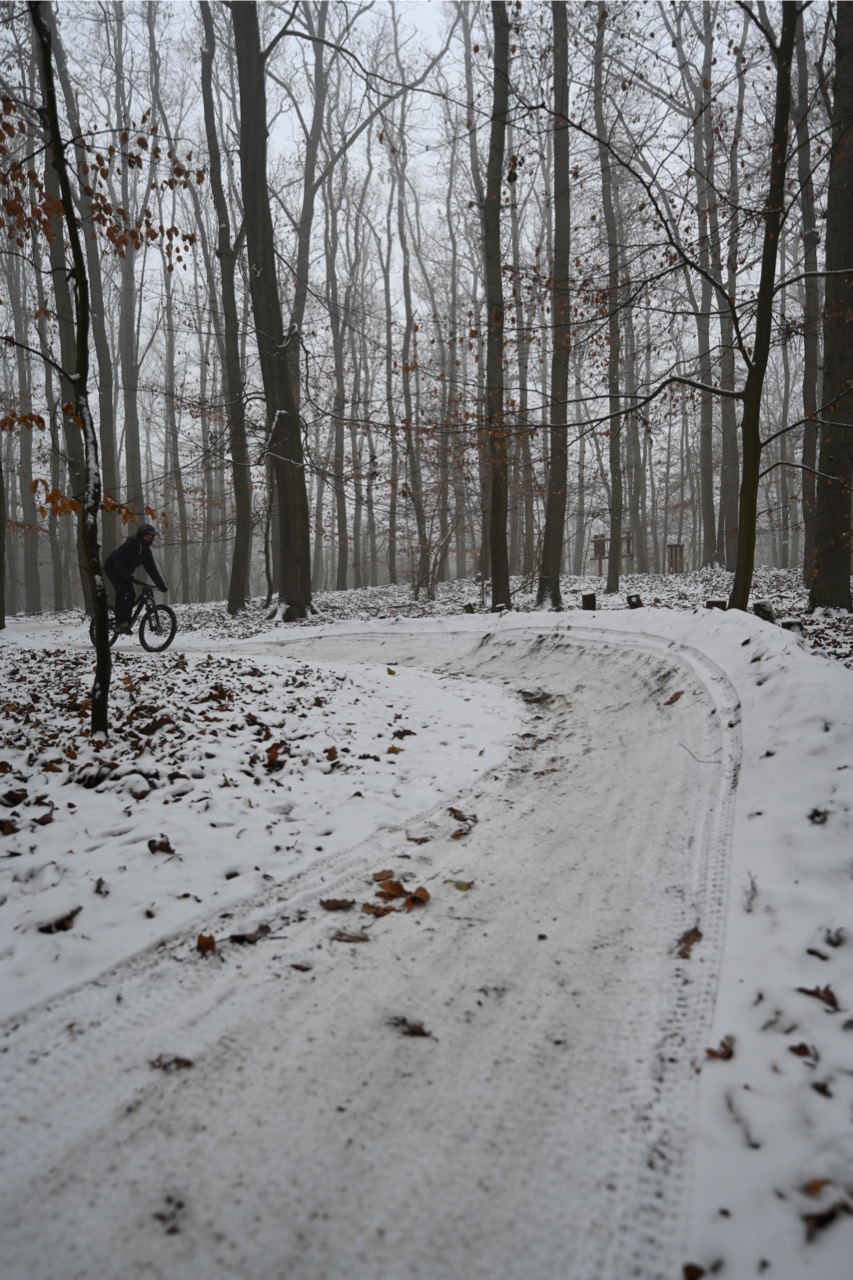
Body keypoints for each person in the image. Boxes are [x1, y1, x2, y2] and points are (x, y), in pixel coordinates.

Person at [104, 523, 167, 632]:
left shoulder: (146, 552)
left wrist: (161, 585)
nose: (148, 540)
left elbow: (152, 570)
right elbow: (117, 561)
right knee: (122, 591)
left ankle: (126, 621)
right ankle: (120, 622)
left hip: (125, 572)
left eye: (150, 538)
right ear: (141, 536)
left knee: (131, 594)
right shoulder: (130, 545)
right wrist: (126, 575)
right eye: (146, 537)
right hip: (112, 567)